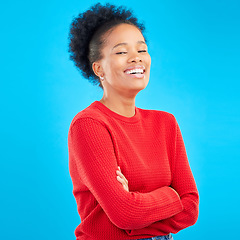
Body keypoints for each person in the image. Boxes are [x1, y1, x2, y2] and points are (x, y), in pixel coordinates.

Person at [68, 3, 199, 240]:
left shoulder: (166, 123)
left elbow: (190, 209)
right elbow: (125, 213)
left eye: (142, 50)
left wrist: (138, 204)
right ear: (99, 69)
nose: (136, 59)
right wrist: (170, 196)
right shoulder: (89, 124)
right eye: (121, 52)